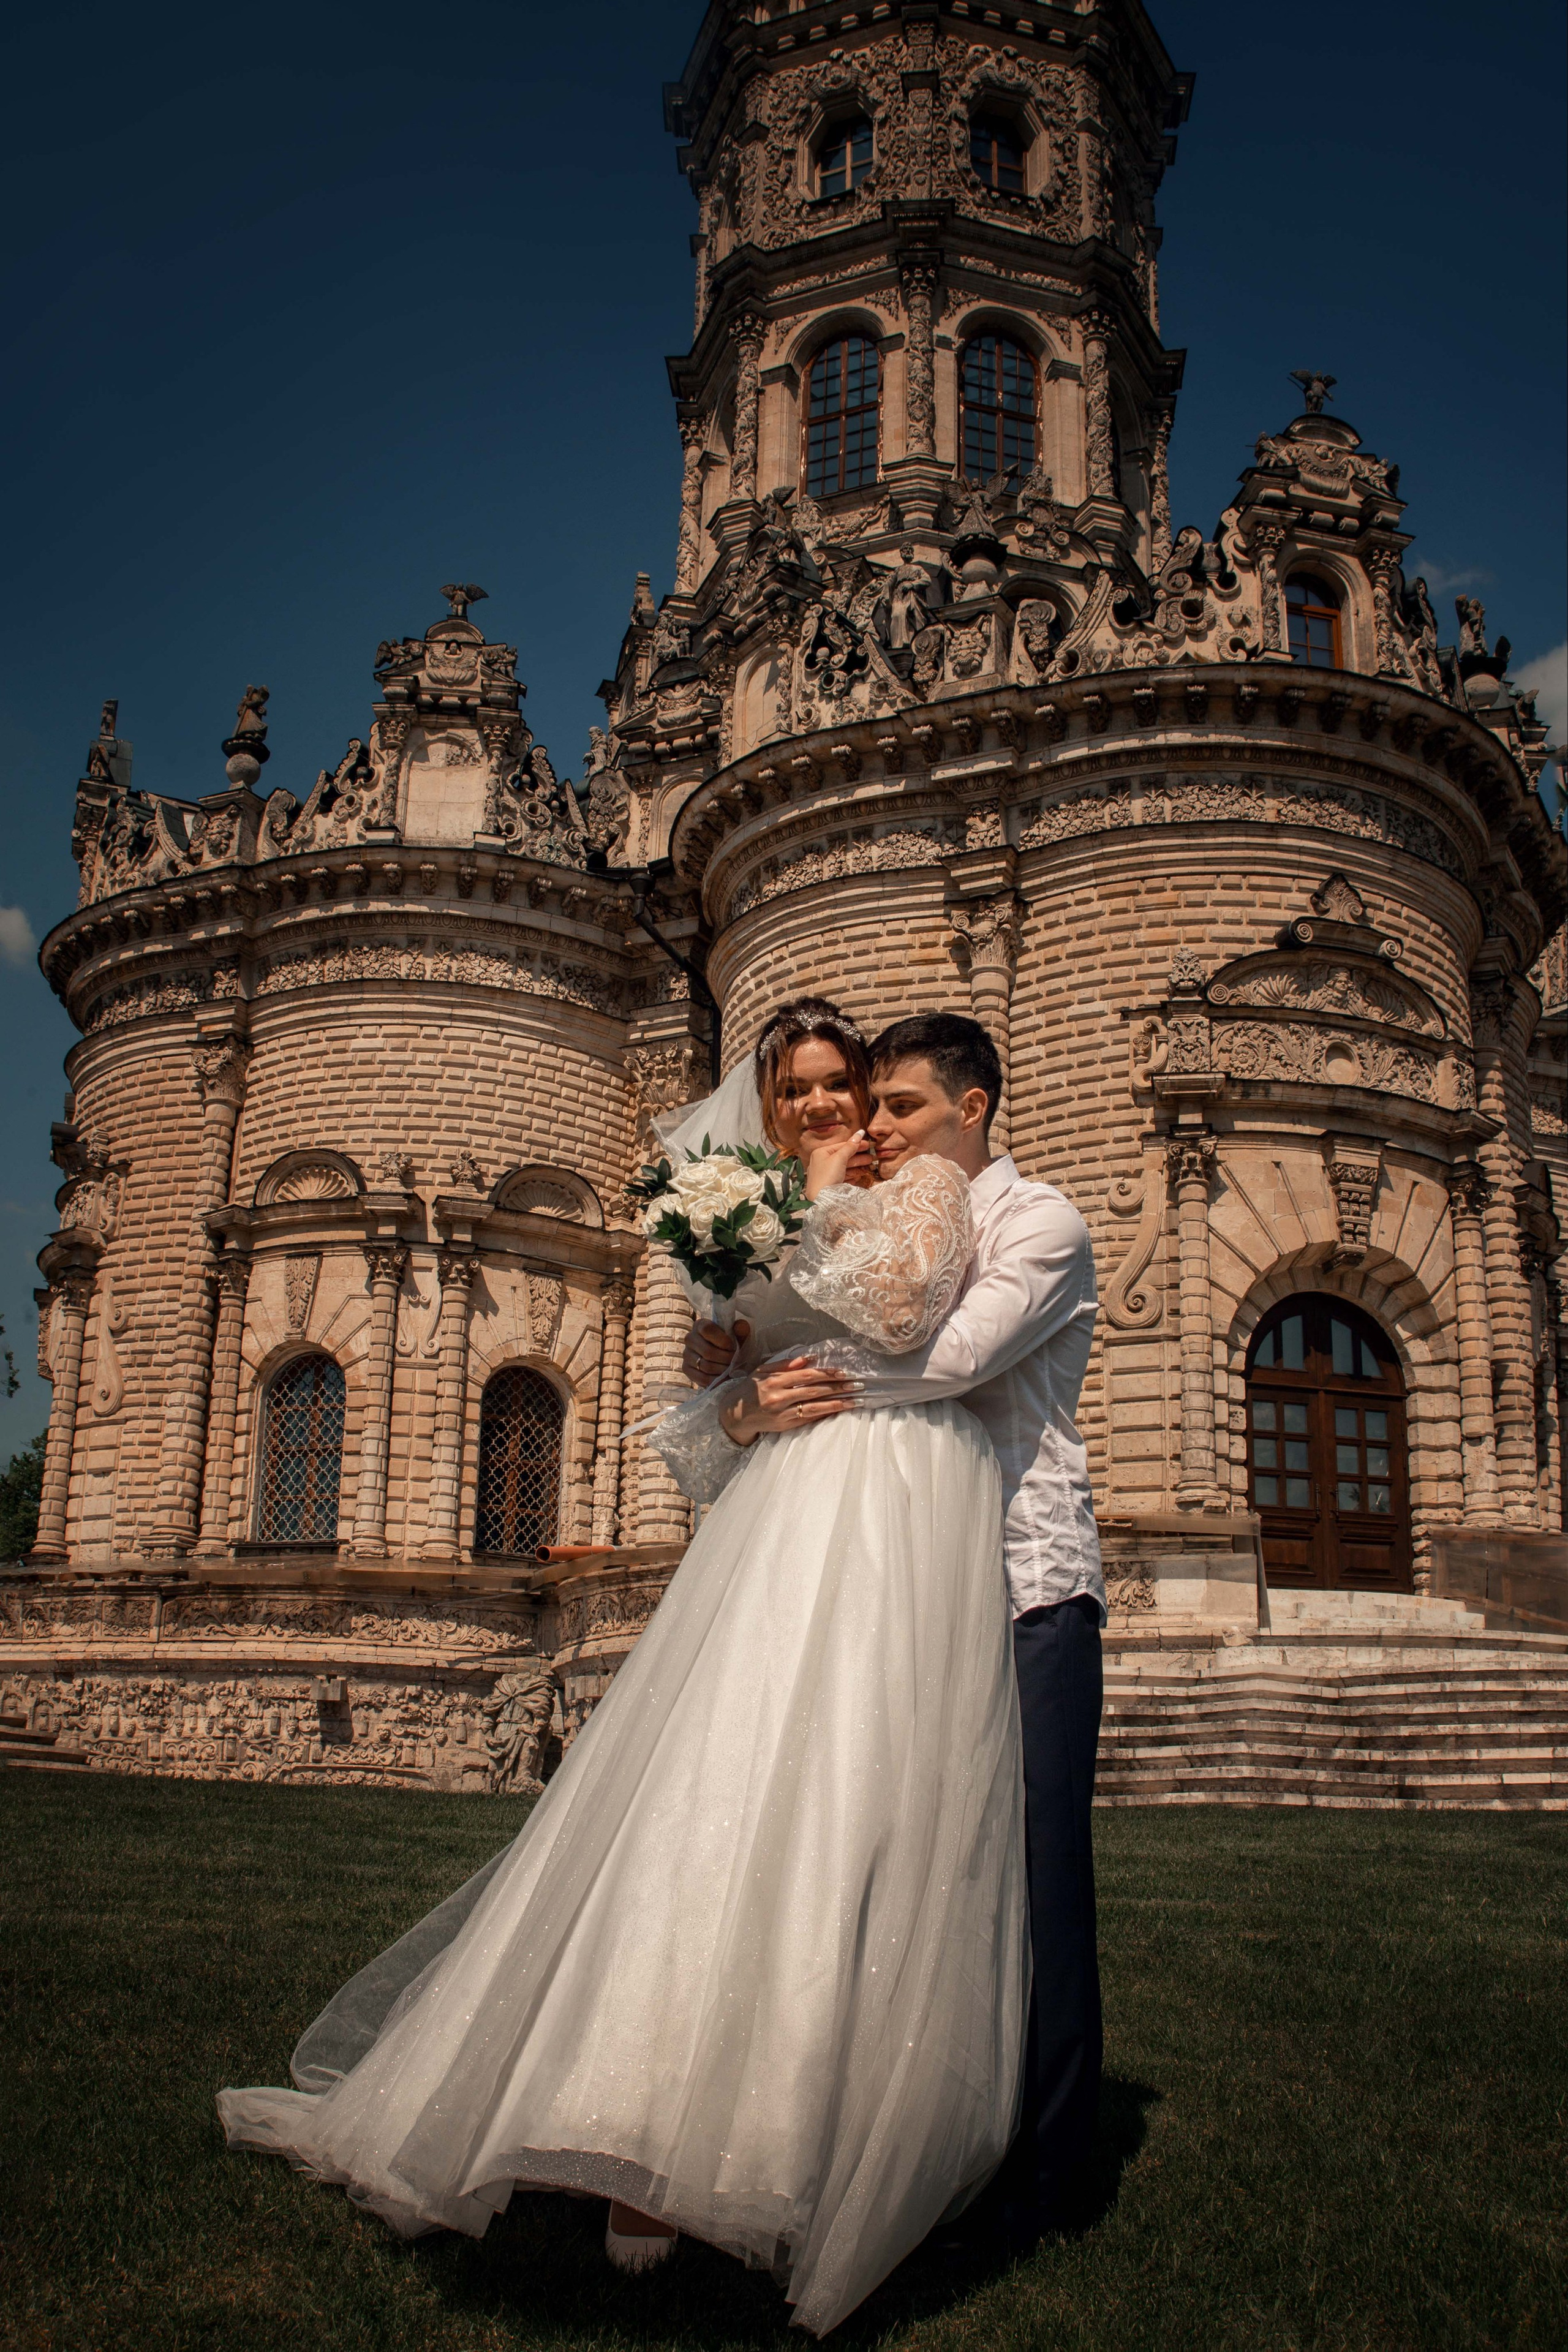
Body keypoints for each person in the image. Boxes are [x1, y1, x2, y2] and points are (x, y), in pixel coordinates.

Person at [216, 997, 1028, 2339]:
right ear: (766, 1100)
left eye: (854, 1088)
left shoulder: (920, 1180)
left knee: (854, 1804)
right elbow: (694, 1425)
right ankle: (628, 2122)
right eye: (810, 1090)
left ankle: (790, 2136)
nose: (835, 1109)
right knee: (714, 1792)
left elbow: (895, 1316)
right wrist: (740, 1396)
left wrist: (826, 1203)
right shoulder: (750, 1202)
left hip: (892, 1505)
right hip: (789, 1510)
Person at [687, 1010, 1105, 2246]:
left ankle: (1056, 2166)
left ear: (972, 1107)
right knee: (919, 1861)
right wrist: (735, 1395)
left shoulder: (1039, 1221)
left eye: (898, 1108)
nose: (873, 1127)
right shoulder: (888, 1207)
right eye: (860, 1106)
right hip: (910, 1580)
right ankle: (918, 2134)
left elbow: (948, 1360)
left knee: (1036, 1872)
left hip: (1025, 1581)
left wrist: (777, 1397)